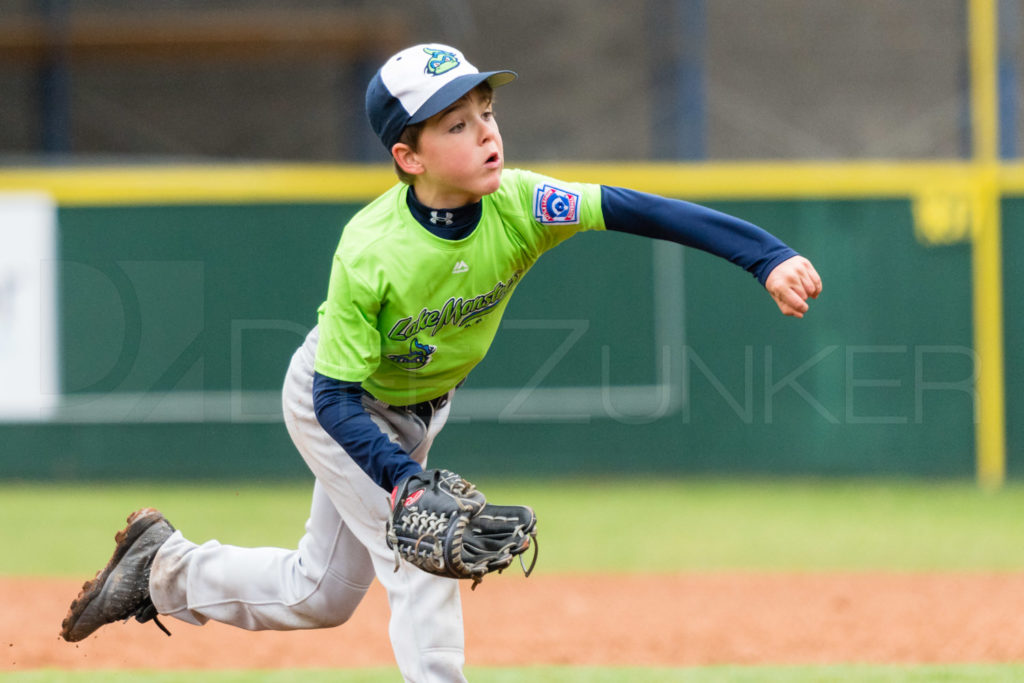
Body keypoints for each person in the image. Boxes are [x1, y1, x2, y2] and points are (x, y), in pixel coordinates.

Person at [60, 43, 822, 681]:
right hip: (345, 408)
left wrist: (766, 256)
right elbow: (332, 399)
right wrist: (403, 482)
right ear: (408, 155)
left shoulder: (520, 204)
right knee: (422, 559)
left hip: (418, 409)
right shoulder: (372, 250)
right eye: (456, 124)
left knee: (320, 592)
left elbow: (634, 206)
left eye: (487, 112)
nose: (486, 133)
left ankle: (165, 569)